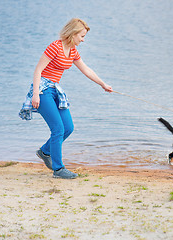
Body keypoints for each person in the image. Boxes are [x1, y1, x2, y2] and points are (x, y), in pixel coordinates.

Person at [19, 18, 113, 179]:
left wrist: (102, 84)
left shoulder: (73, 51)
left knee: (68, 127)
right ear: (73, 33)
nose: (83, 40)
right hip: (42, 90)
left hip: (55, 89)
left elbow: (86, 69)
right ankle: (58, 169)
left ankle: (44, 151)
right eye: (82, 36)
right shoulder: (55, 46)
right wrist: (35, 93)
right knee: (58, 129)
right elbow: (38, 70)